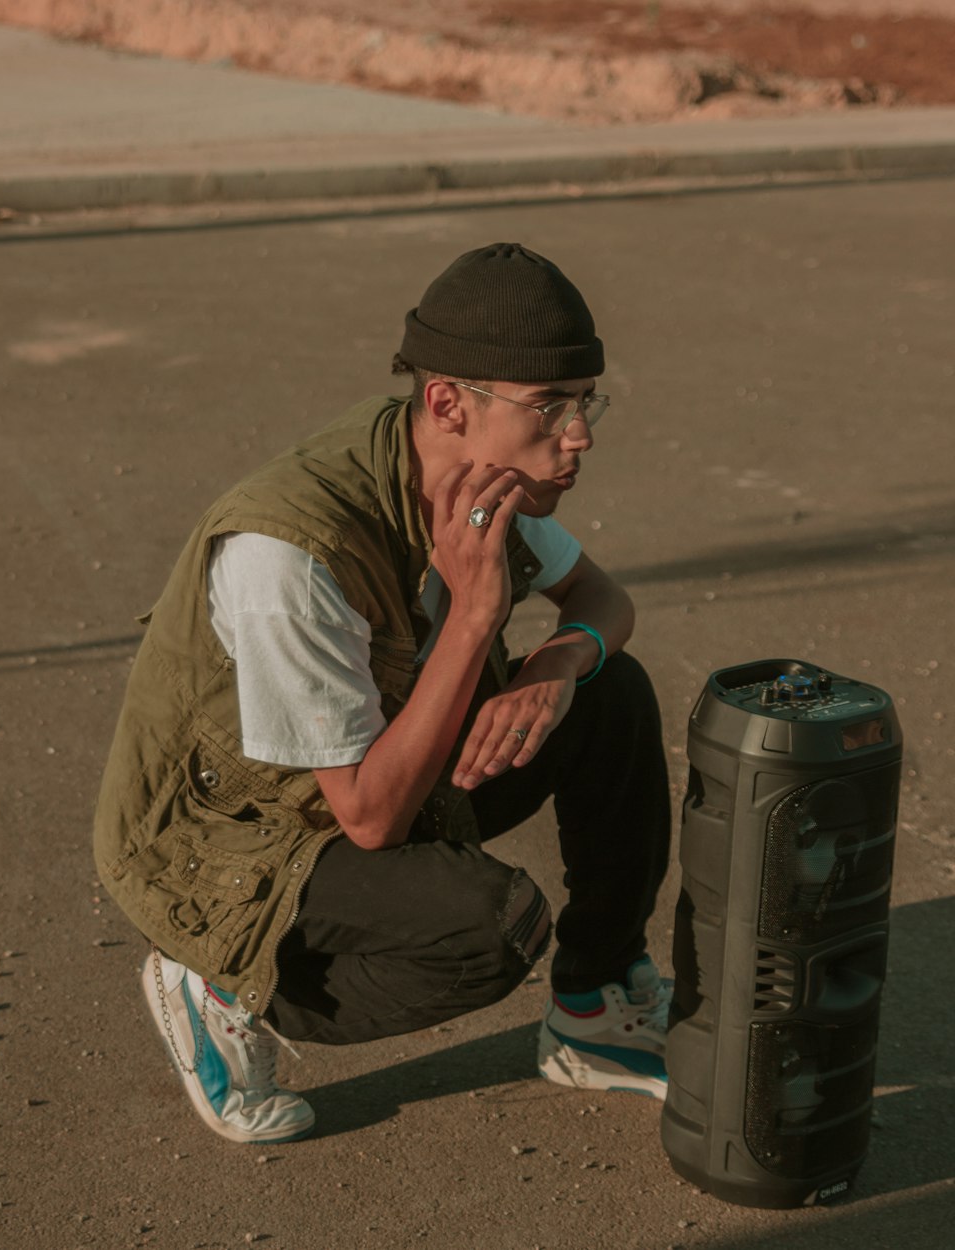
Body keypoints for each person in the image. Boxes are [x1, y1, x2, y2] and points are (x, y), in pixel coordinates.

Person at [93, 242, 672, 1145]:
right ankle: (220, 983)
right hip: (239, 842)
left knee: (610, 691)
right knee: (496, 927)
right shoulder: (289, 554)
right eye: (550, 407)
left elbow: (603, 603)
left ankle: (594, 1008)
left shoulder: (475, 480)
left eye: (584, 400)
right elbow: (368, 818)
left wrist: (553, 671)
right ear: (446, 402)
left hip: (377, 767)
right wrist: (478, 617)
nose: (581, 433)